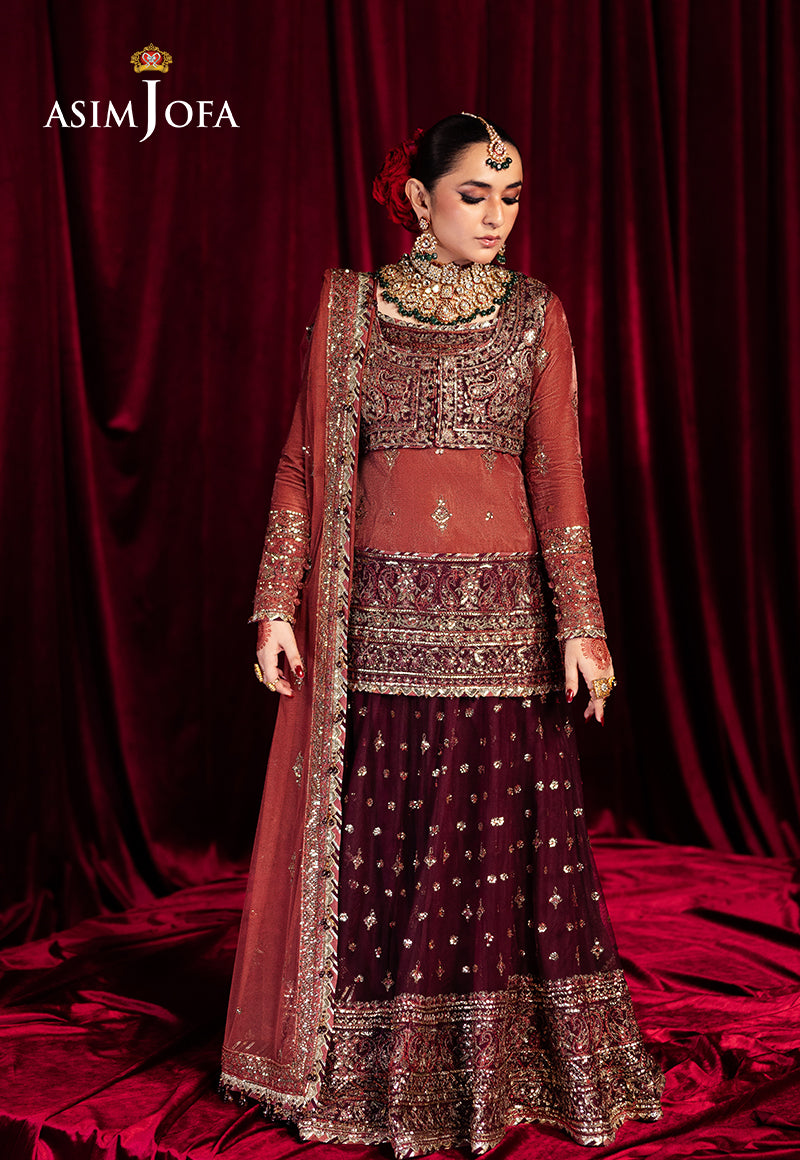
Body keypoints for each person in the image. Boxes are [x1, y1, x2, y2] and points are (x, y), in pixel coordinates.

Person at [220, 113, 664, 1155]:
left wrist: (582, 626)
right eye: (474, 195)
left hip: (505, 632)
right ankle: (379, 1065)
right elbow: (303, 460)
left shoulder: (536, 314)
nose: (496, 216)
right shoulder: (351, 311)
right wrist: (277, 600)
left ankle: (498, 1063)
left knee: (494, 856)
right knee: (388, 848)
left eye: (510, 198)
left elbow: (557, 476)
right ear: (419, 200)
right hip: (378, 627)